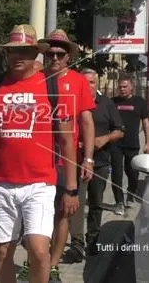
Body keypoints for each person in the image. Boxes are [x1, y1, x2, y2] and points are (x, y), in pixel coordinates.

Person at [0, 24, 79, 283]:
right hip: (2, 183)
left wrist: (71, 189)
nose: (18, 56)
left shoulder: (52, 86)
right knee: (2, 252)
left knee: (39, 251)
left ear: (36, 53)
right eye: (13, 51)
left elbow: (66, 141)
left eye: (26, 51)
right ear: (6, 54)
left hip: (40, 184)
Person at [29, 29, 95, 282]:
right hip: (38, 159)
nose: (54, 58)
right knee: (36, 216)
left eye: (60, 54)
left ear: (69, 56)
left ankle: (53, 265)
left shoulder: (78, 81)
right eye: (50, 54)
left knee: (63, 213)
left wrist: (88, 159)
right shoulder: (36, 79)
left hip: (66, 160)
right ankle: (38, 261)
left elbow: (87, 123)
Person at [81, 68, 124, 254]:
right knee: (73, 203)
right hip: (74, 161)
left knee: (96, 203)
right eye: (85, 82)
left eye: (91, 82)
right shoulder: (71, 101)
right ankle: (75, 243)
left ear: (96, 85)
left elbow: (120, 130)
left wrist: (104, 139)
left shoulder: (106, 104)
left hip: (100, 162)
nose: (88, 86)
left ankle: (93, 239)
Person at [111, 74, 149, 215]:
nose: (122, 89)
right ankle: (119, 202)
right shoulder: (113, 102)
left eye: (125, 86)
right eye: (120, 87)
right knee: (116, 174)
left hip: (132, 143)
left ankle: (130, 194)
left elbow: (146, 123)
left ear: (131, 87)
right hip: (115, 144)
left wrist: (147, 142)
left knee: (133, 173)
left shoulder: (139, 102)